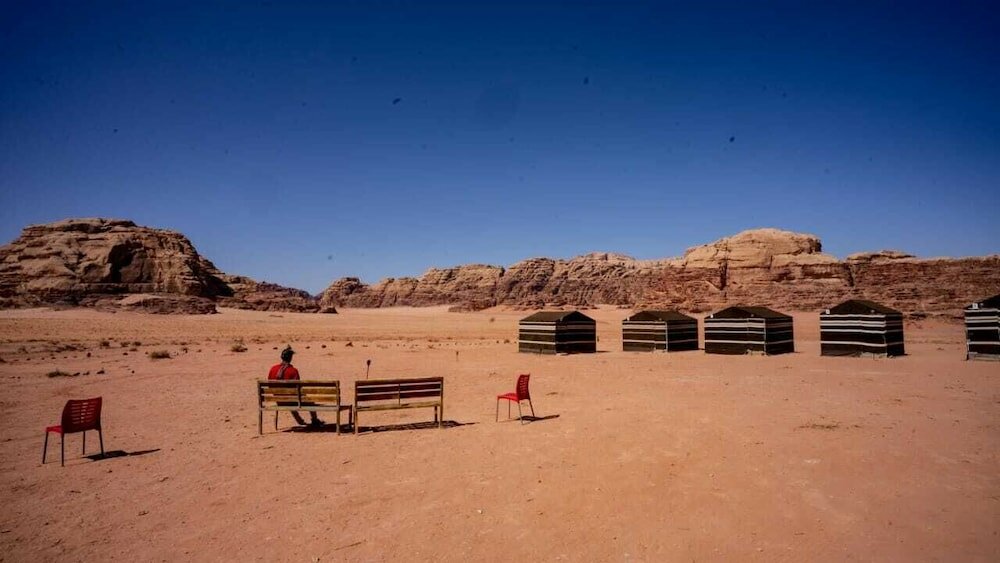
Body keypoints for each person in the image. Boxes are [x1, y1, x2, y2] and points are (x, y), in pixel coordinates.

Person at [268, 345, 324, 427]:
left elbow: (270, 385)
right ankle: (314, 420)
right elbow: (298, 386)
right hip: (291, 400)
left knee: (289, 399)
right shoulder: (293, 371)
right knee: (308, 401)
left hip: (278, 400)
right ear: (291, 358)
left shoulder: (273, 369)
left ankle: (300, 421)